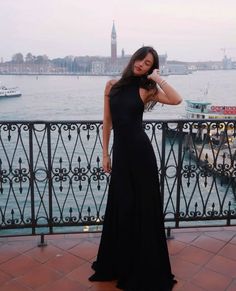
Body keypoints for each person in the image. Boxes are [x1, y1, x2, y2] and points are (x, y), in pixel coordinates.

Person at [89, 46, 182, 291]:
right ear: (134, 58)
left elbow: (176, 99)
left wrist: (158, 78)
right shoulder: (112, 86)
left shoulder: (147, 90)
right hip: (120, 156)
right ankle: (121, 262)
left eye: (148, 63)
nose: (142, 64)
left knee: (143, 208)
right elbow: (107, 122)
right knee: (123, 206)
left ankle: (142, 266)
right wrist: (105, 153)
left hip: (142, 156)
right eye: (141, 59)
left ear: (151, 67)